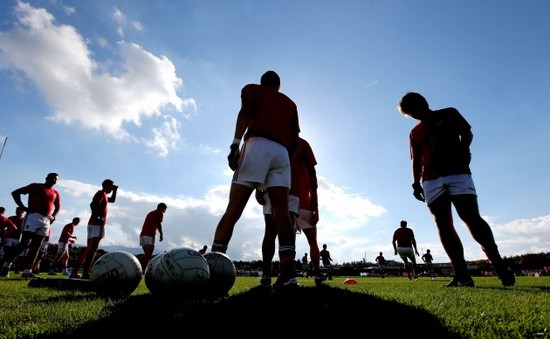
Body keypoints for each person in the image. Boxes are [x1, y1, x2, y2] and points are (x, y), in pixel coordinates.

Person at [397, 91, 515, 287]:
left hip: (457, 172)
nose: (414, 114)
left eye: (415, 108)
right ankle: (462, 276)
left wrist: (464, 149)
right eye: (410, 113)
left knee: (471, 217)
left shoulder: (449, 113)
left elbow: (467, 132)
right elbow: (416, 159)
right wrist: (415, 183)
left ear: (424, 102)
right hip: (431, 180)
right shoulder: (414, 133)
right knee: (443, 224)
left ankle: (499, 265)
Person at [210, 70, 300, 290]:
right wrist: (283, 160)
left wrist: (234, 144)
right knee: (282, 215)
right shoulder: (290, 104)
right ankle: (287, 276)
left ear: (263, 83)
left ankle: (213, 267)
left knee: (233, 210)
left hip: (257, 145)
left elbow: (245, 113)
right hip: (282, 152)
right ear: (278, 86)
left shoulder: (252, 90)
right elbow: (295, 139)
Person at [256, 137, 323, 286]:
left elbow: (262, 162)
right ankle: (288, 275)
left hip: (272, 189)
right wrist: (315, 202)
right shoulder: (302, 144)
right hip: (292, 192)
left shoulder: (272, 139)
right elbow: (312, 174)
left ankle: (268, 275)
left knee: (270, 232)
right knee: (290, 233)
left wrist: (259, 186)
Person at [0, 173, 61, 279]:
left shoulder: (55, 192)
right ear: (46, 178)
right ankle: (6, 265)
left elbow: (58, 206)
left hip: (46, 219)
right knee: (25, 243)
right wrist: (23, 207)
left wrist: (53, 216)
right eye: (52, 178)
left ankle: (27, 271)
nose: (54, 180)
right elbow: (15, 193)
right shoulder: (35, 186)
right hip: (33, 216)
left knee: (37, 246)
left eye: (56, 179)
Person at [70, 179, 118, 279]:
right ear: (107, 185)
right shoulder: (101, 193)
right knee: (92, 250)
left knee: (88, 249)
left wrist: (115, 191)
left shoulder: (103, 195)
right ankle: (86, 272)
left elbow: (112, 200)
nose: (112, 187)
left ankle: (75, 271)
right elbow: (93, 204)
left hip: (93, 224)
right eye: (111, 186)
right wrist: (97, 216)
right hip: (97, 224)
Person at [139, 203, 166, 270]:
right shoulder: (159, 213)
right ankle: (141, 269)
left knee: (146, 255)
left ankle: (135, 262)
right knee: (148, 256)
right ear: (161, 208)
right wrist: (161, 234)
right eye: (164, 208)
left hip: (143, 235)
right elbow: (159, 224)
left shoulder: (150, 213)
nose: (165, 210)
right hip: (149, 235)